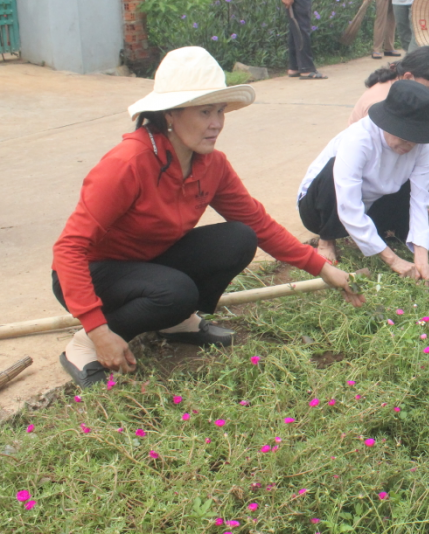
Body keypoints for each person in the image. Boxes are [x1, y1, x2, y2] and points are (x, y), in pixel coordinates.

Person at [51, 47, 358, 388]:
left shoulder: (211, 164)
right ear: (170, 114)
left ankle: (175, 322)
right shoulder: (128, 164)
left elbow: (259, 224)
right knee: (175, 292)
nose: (216, 124)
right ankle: (84, 344)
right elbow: (69, 249)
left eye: (220, 111)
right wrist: (97, 326)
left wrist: (323, 268)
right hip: (96, 272)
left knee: (240, 238)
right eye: (204, 112)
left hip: (149, 263)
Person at [331, 47, 429, 262]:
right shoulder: (380, 105)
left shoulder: (414, 101)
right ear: (408, 77)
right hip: (370, 178)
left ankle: (409, 216)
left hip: (394, 169)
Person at [298, 80, 429, 282]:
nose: (410, 144)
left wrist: (421, 256)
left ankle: (371, 237)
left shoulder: (421, 145)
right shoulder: (359, 138)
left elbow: (419, 198)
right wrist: (393, 260)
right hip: (320, 206)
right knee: (333, 168)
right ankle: (327, 239)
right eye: (405, 135)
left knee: (408, 187)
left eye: (416, 137)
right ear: (389, 122)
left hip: (372, 203)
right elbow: (348, 204)